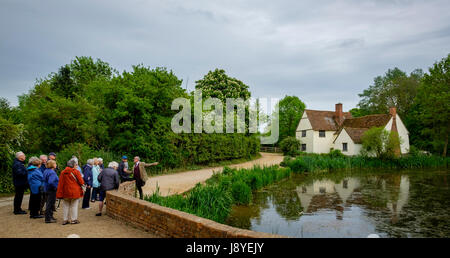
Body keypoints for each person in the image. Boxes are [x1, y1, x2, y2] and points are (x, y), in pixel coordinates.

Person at [56, 158, 85, 225]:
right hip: (75, 191)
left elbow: (60, 183)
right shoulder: (76, 172)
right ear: (73, 165)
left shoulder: (63, 172)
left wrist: (59, 193)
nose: (76, 166)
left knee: (65, 206)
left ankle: (65, 220)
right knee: (74, 206)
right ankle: (73, 219)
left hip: (65, 192)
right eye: (76, 164)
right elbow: (81, 181)